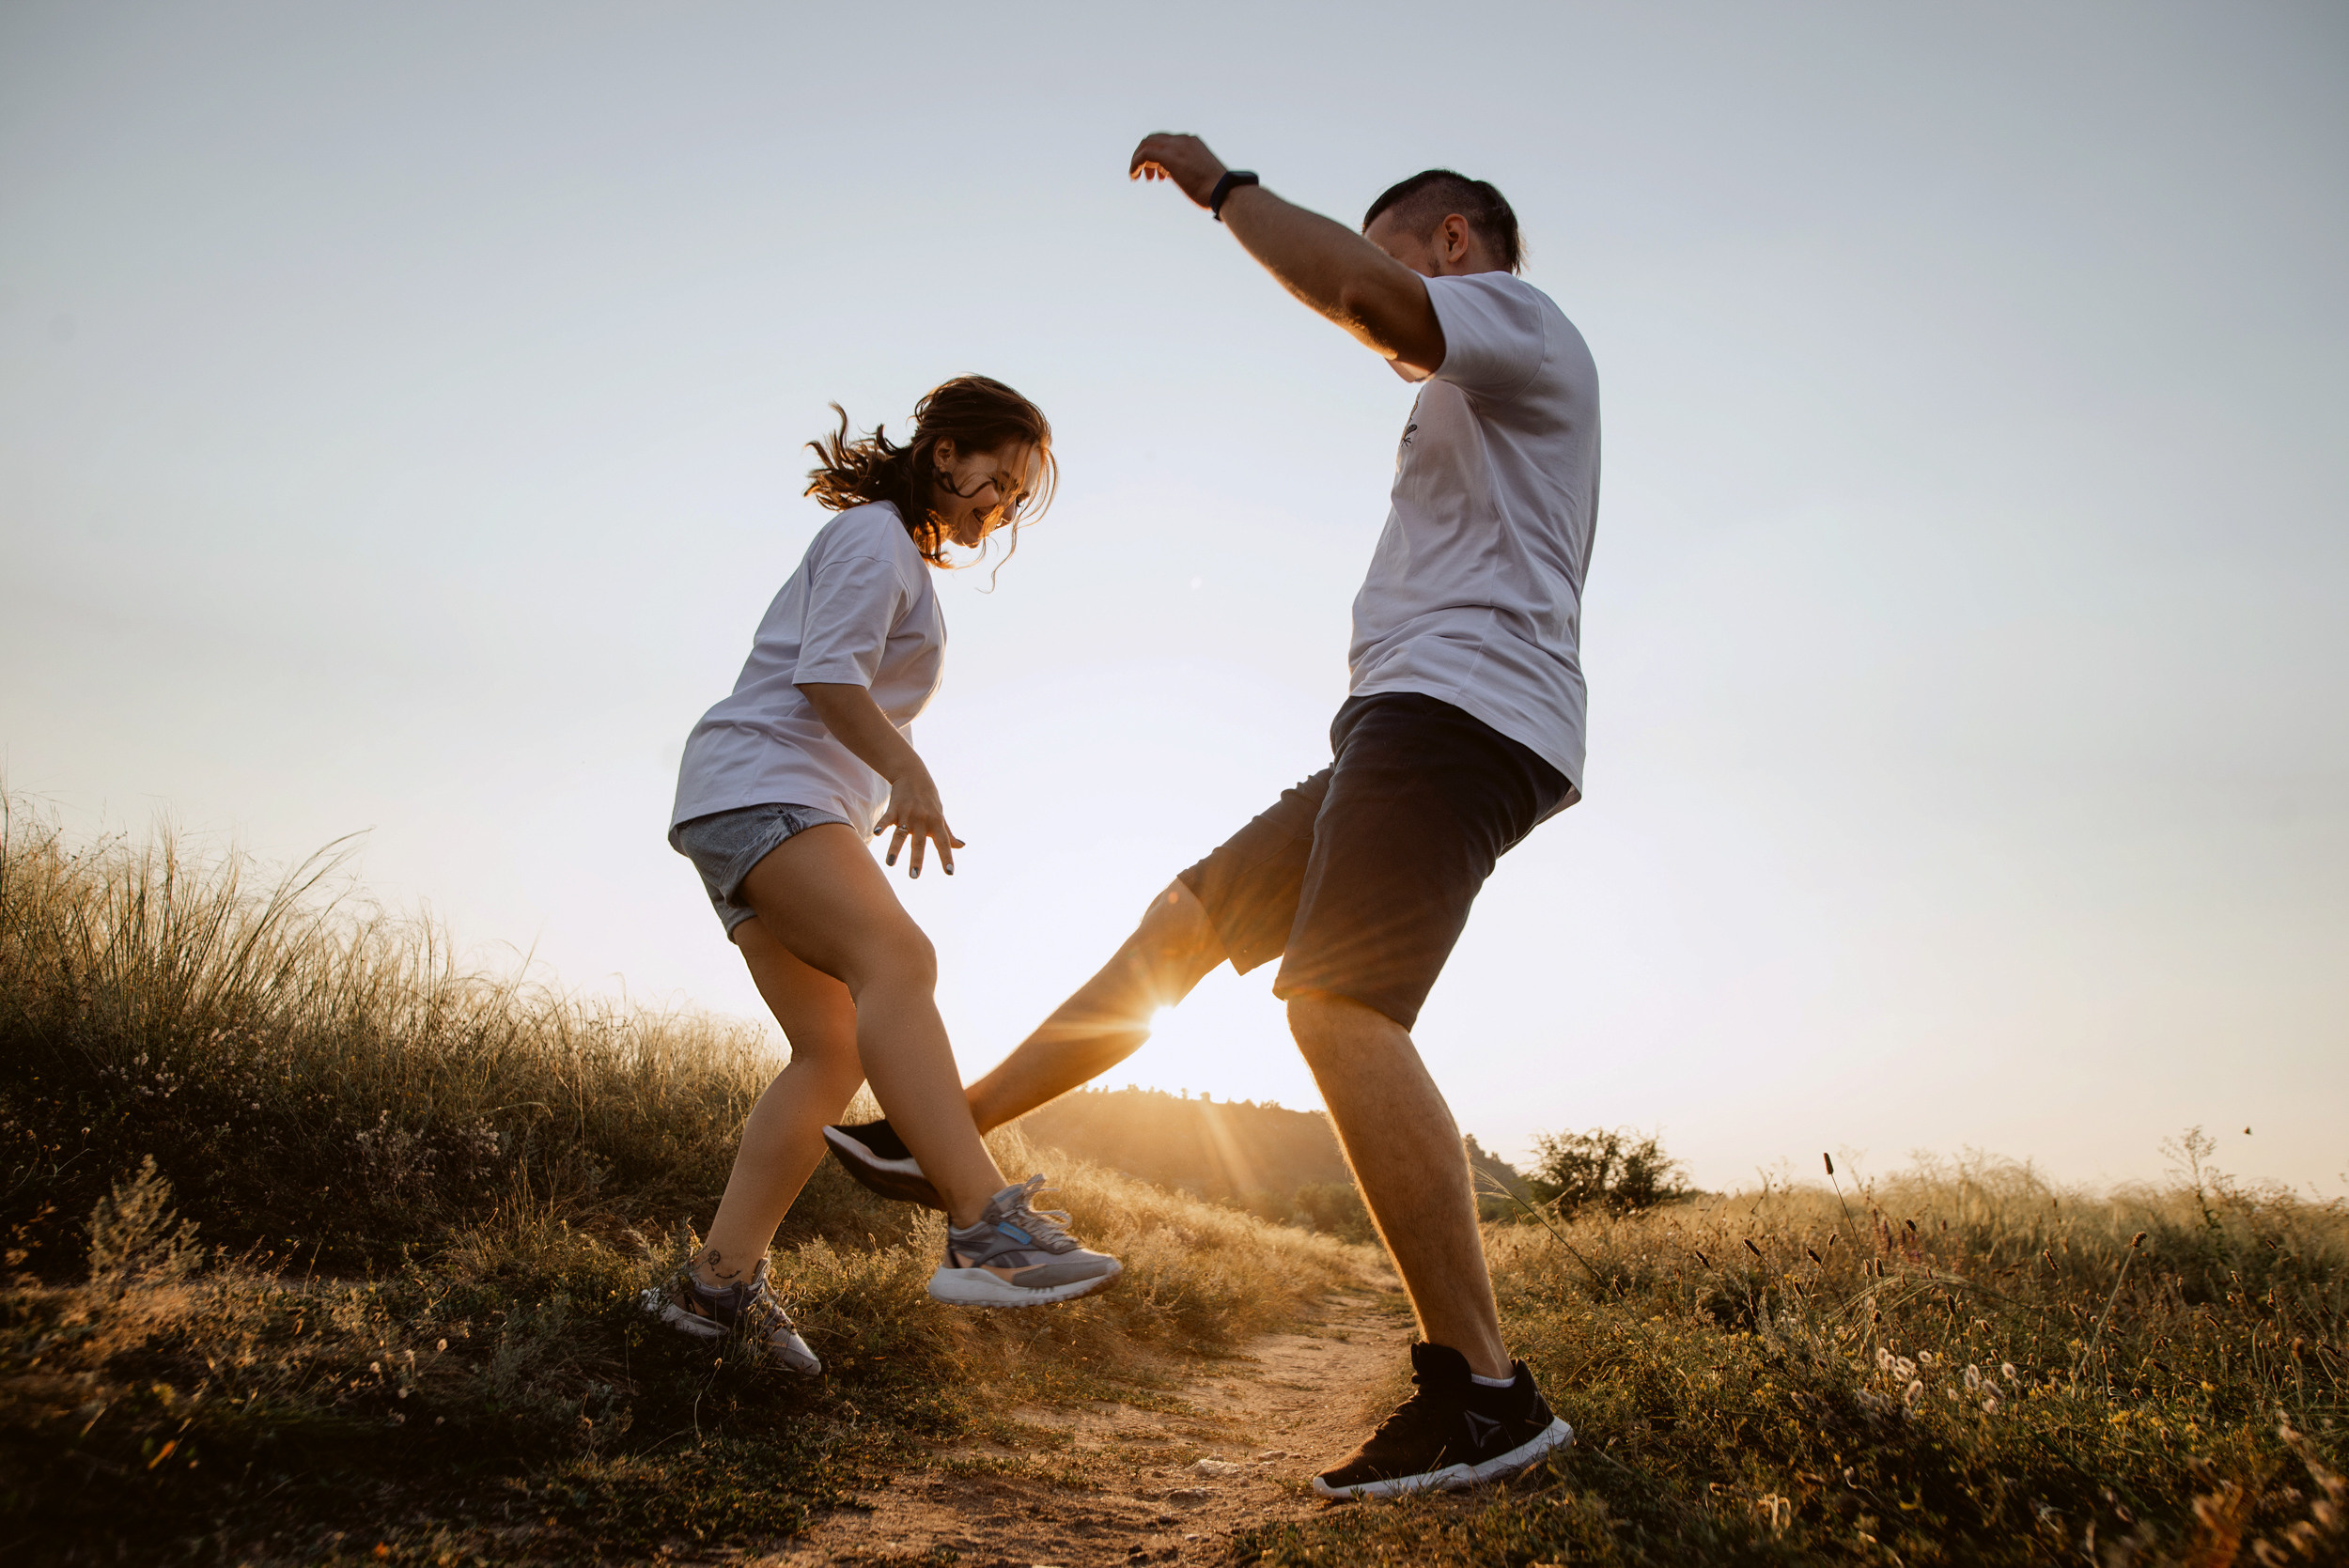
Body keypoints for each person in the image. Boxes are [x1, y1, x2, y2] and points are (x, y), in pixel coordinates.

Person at [824, 141, 1598, 1498]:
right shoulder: (1472, 392)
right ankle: (939, 1133)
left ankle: (1485, 1392)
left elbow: (1365, 294)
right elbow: (1382, 305)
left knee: (1339, 1005)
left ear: (1459, 241)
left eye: (1402, 248)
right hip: (1402, 722)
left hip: (1465, 716)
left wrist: (1227, 188)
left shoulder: (1518, 323)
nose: (1387, 299)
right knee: (1189, 919)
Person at [643, 376, 1124, 1374]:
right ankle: (984, 1226)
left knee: (830, 1050)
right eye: (1000, 476)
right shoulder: (874, 538)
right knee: (897, 957)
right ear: (944, 452)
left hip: (753, 801)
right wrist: (907, 770)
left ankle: (713, 1289)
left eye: (1019, 495)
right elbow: (827, 674)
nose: (1002, 503)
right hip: (766, 790)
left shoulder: (892, 554)